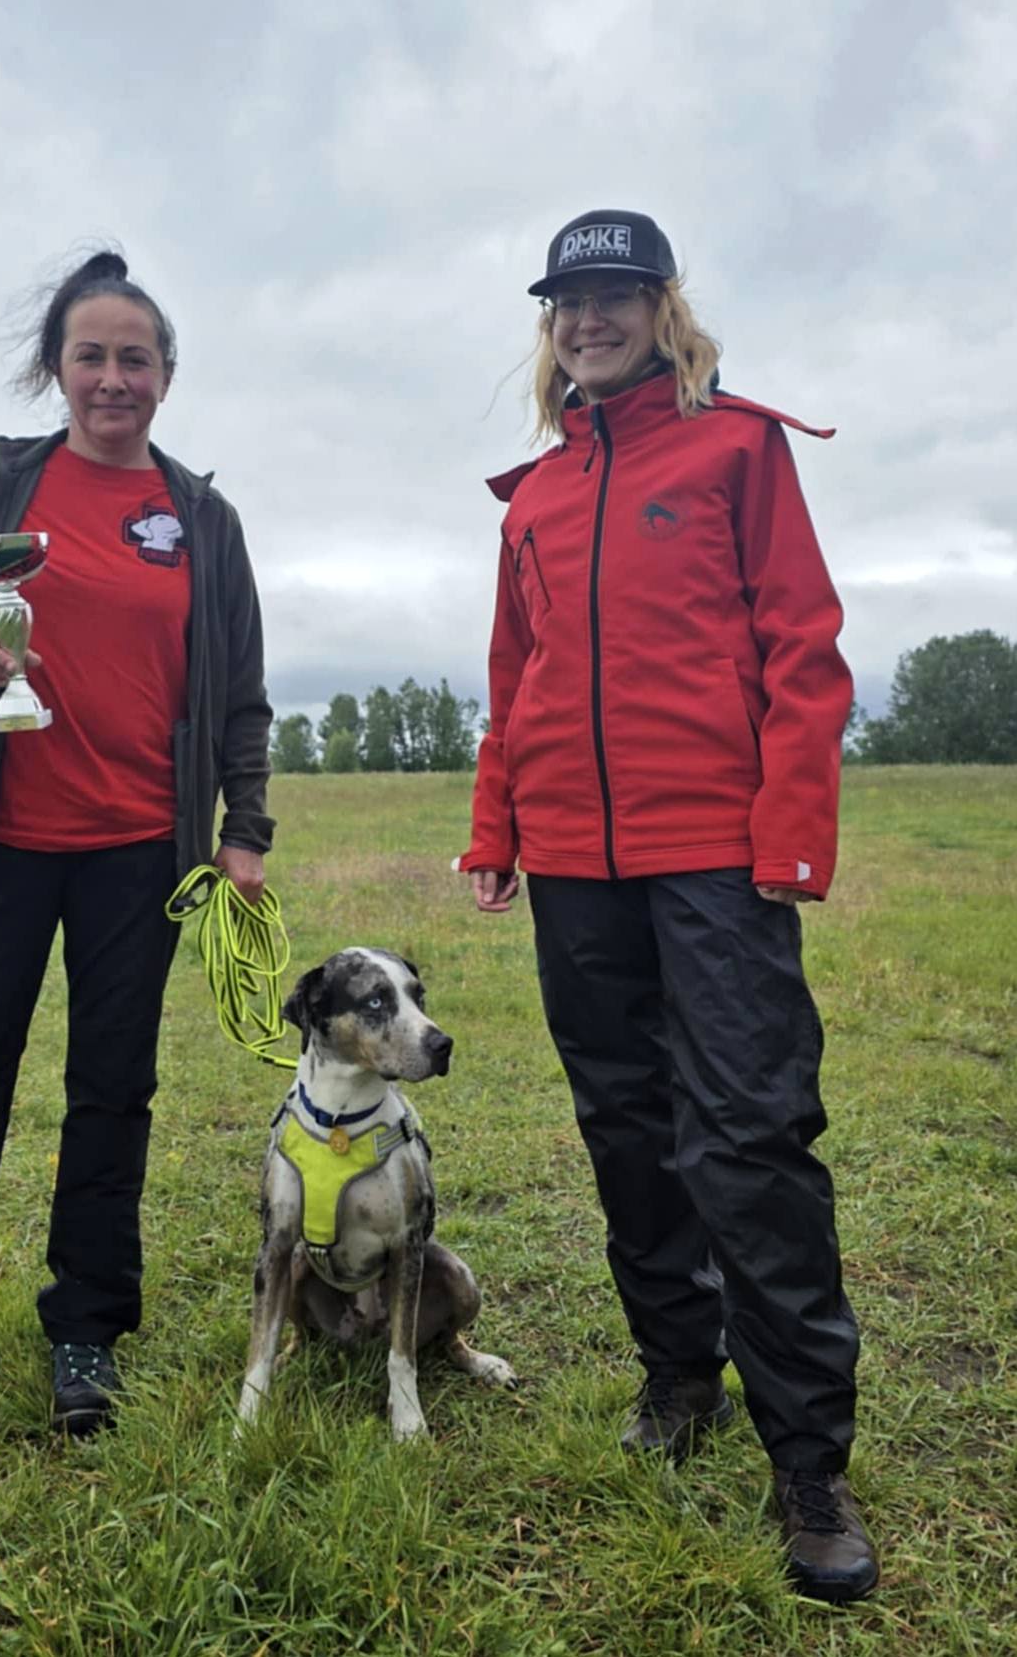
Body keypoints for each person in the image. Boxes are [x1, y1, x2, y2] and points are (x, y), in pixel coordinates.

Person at [460, 210, 877, 1603]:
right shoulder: (530, 494)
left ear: (658, 306)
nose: (589, 319)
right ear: (550, 322)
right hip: (573, 862)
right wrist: (493, 825)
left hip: (714, 856)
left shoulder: (736, 448)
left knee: (747, 1136)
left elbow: (800, 649)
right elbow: (512, 674)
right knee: (625, 1124)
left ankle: (805, 1458)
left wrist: (789, 839)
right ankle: (672, 1374)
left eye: (613, 295)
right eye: (566, 300)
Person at [0, 250, 273, 1449]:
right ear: (57, 368)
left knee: (111, 1094)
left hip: (142, 856)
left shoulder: (202, 517)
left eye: (136, 357)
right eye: (92, 354)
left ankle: (87, 1330)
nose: (113, 377)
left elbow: (239, 692)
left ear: (167, 377)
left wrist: (246, 832)